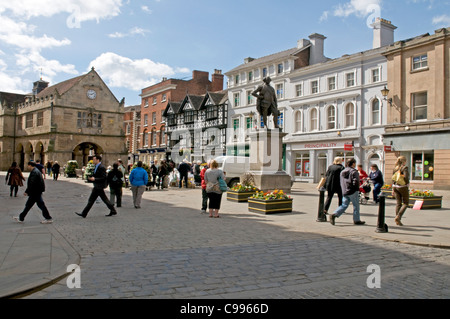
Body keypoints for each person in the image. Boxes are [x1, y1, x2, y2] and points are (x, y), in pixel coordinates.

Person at [328, 158, 365, 226]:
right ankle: (356, 219)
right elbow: (356, 181)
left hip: (345, 190)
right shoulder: (354, 171)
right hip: (353, 191)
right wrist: (356, 188)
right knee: (356, 205)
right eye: (354, 163)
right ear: (353, 163)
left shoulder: (343, 171)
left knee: (344, 205)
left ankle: (334, 214)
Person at [392, 156, 410, 226]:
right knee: (406, 203)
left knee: (398, 203)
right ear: (404, 161)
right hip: (402, 187)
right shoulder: (404, 168)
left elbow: (393, 178)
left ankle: (397, 219)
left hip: (395, 186)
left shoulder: (395, 168)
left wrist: (393, 188)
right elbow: (406, 177)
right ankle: (398, 217)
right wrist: (407, 183)